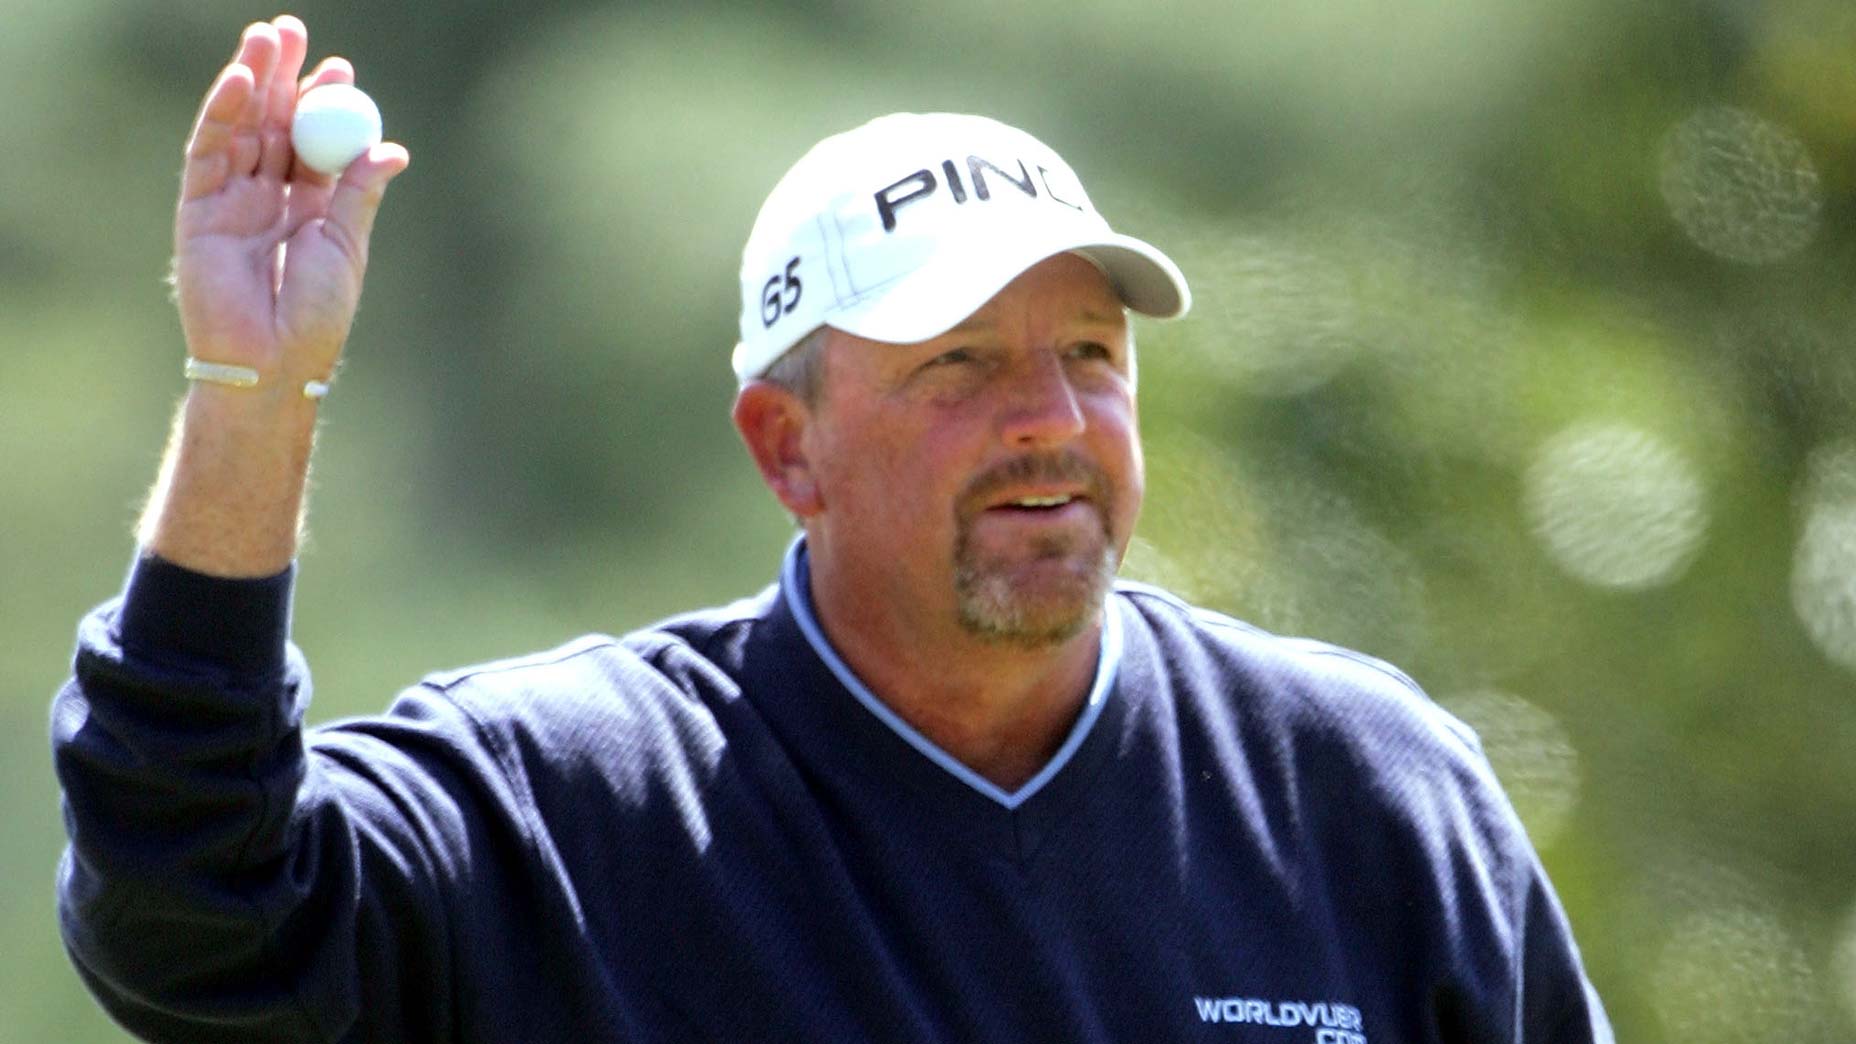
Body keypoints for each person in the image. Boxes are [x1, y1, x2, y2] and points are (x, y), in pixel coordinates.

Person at [51, 14, 1614, 1044]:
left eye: (1090, 354)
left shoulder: (1367, 795)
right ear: (785, 448)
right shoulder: (575, 811)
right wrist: (253, 393)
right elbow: (190, 915)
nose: (1053, 424)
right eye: (959, 365)